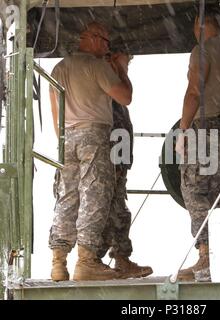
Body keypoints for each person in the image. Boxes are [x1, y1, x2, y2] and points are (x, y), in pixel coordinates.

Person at [49, 22, 132, 281]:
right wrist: (121, 69)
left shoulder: (60, 67)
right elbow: (125, 97)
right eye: (105, 42)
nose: (107, 47)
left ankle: (58, 262)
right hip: (94, 133)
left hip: (67, 136)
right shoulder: (97, 66)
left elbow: (55, 111)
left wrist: (63, 139)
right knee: (94, 196)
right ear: (94, 39)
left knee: (67, 198)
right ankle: (86, 261)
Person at [175, 5, 220, 281]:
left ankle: (205, 256)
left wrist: (183, 130)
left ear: (200, 25)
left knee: (194, 188)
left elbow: (194, 92)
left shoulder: (201, 51)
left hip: (207, 127)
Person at [97, 52, 153, 278]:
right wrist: (119, 69)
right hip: (107, 161)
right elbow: (126, 96)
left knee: (116, 211)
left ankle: (117, 260)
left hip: (117, 161)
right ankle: (99, 260)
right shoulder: (108, 83)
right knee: (106, 211)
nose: (127, 66)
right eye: (125, 61)